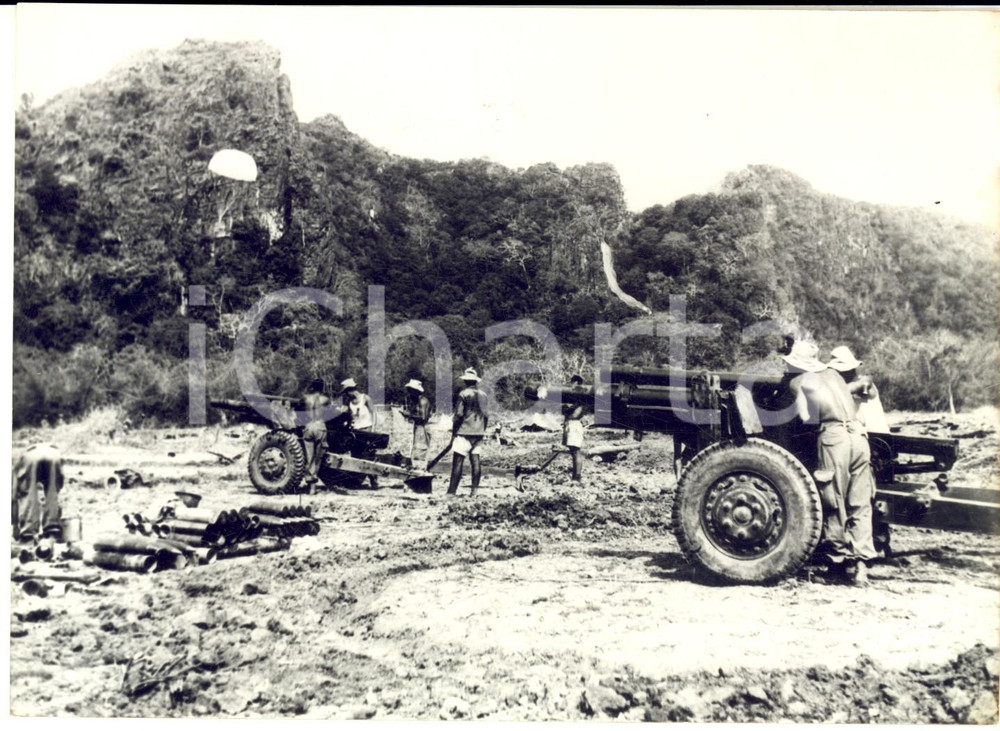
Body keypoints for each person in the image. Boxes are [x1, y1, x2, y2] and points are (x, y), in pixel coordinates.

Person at [781, 341, 877, 585]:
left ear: (794, 365)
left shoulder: (797, 382)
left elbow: (806, 418)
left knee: (833, 501)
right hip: (858, 436)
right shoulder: (834, 375)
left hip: (834, 439)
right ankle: (861, 567)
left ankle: (836, 565)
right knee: (860, 502)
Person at [826, 345, 889, 433]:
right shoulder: (839, 386)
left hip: (877, 435)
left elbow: (860, 386)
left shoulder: (864, 382)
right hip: (858, 436)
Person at [12, 443, 64, 543]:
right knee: (52, 492)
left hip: (31, 458)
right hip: (55, 455)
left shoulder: (17, 466)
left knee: (28, 492)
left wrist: (15, 526)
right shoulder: (21, 459)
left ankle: (29, 533)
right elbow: (58, 487)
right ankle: (52, 530)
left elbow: (13, 498)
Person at [449, 368, 488, 497]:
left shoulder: (464, 394)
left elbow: (459, 414)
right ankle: (474, 491)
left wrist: (454, 431)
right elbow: (486, 416)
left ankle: (451, 492)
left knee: (458, 462)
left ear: (466, 381)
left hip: (465, 431)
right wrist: (482, 430)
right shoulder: (483, 395)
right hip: (478, 433)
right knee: (475, 461)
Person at [341, 378, 379, 488]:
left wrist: (373, 428)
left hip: (366, 429)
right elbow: (350, 417)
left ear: (350, 390)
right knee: (356, 456)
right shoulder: (350, 403)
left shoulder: (365, 398)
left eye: (347, 392)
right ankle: (357, 481)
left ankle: (373, 480)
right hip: (355, 431)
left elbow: (374, 413)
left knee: (368, 456)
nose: (346, 395)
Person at [302, 378, 331, 493]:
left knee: (309, 458)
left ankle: (310, 486)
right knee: (318, 459)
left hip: (309, 427)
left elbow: (299, 410)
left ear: (312, 386)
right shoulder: (326, 399)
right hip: (320, 427)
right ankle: (314, 486)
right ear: (323, 387)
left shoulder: (306, 398)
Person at [403, 379, 432, 470]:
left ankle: (420, 470)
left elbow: (423, 418)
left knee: (420, 449)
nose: (409, 392)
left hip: (422, 427)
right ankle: (416, 468)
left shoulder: (422, 401)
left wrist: (409, 415)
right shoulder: (417, 401)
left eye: (410, 390)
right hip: (418, 426)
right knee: (416, 448)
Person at [562, 375, 587, 481]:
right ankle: (575, 476)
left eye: (572, 382)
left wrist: (566, 409)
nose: (571, 384)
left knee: (576, 452)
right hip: (572, 424)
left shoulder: (580, 396)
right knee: (573, 452)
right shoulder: (577, 396)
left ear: (576, 383)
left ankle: (577, 476)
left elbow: (575, 412)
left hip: (574, 424)